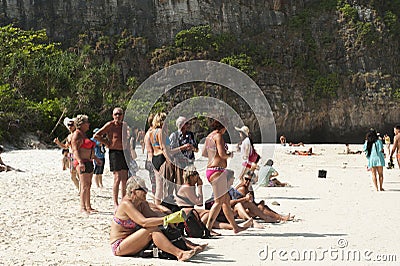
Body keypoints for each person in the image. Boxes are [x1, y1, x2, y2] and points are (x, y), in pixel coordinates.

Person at [110, 177, 203, 261]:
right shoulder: (126, 204)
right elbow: (144, 222)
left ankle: (187, 246)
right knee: (151, 230)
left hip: (135, 240)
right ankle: (179, 254)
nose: (146, 192)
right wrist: (167, 219)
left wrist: (171, 217)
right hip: (120, 245)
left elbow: (154, 217)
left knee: (158, 226)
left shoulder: (142, 203)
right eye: (143, 189)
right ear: (134, 191)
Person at [202, 118, 247, 234]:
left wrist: (213, 156)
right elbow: (222, 154)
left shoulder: (209, 137)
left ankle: (235, 227)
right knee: (218, 201)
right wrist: (230, 154)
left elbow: (203, 153)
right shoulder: (218, 136)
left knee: (226, 200)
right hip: (217, 171)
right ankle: (208, 228)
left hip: (211, 170)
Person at [94, 107, 129, 209]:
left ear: (122, 115)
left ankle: (123, 200)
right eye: (116, 114)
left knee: (124, 178)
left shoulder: (124, 125)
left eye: (120, 114)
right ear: (113, 115)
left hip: (124, 152)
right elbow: (97, 135)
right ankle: (115, 202)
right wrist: (107, 143)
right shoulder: (110, 125)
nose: (118, 116)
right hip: (114, 152)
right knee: (117, 177)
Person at [71, 115, 102, 213]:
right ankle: (82, 207)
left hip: (89, 161)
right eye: (87, 122)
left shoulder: (83, 134)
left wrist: (96, 158)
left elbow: (89, 149)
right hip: (82, 162)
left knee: (88, 184)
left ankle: (88, 206)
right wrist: (80, 162)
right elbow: (75, 150)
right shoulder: (76, 135)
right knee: (84, 185)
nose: (88, 124)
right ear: (82, 124)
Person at [169, 116, 199, 191]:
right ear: (181, 125)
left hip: (190, 163)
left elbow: (197, 150)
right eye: (187, 123)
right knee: (180, 184)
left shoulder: (191, 135)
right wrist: (183, 147)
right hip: (179, 163)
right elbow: (170, 151)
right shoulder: (173, 135)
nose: (188, 125)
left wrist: (192, 148)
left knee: (191, 183)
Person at [53, 118, 80, 191]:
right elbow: (66, 146)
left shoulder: (78, 134)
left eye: (71, 125)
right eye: (68, 125)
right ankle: (79, 190)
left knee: (79, 174)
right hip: (71, 156)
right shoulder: (69, 136)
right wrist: (58, 143)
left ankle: (82, 191)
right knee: (73, 176)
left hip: (77, 156)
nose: (70, 126)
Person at [144, 114, 156, 195]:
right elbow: (150, 151)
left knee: (155, 184)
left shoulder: (150, 133)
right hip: (153, 161)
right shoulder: (150, 133)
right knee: (155, 185)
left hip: (150, 161)